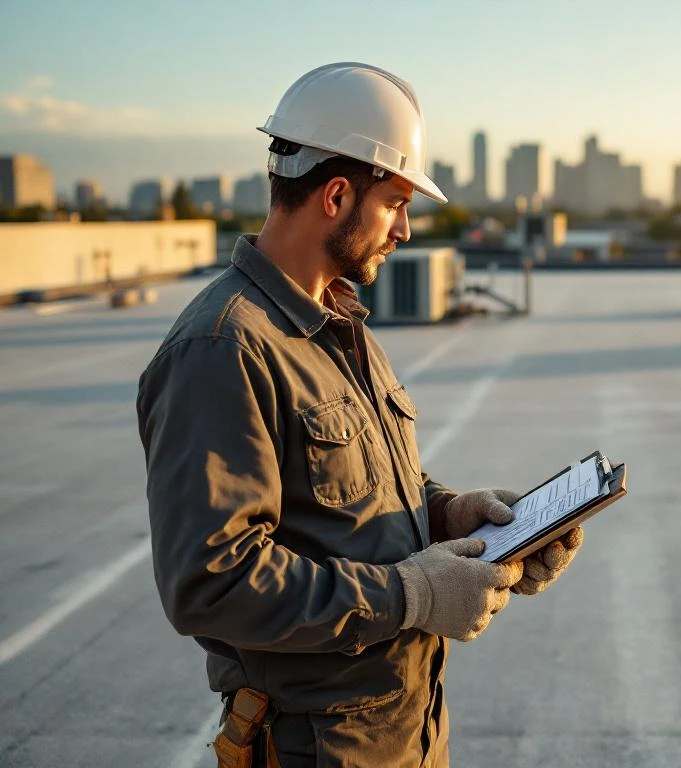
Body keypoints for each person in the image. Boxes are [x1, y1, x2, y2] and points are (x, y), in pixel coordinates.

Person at [136, 62, 583, 768]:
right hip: (312, 747)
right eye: (396, 203)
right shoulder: (222, 348)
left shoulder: (339, 322)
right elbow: (210, 582)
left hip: (399, 734)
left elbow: (350, 490)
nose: (405, 230)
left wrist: (455, 517)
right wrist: (412, 595)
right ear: (338, 195)